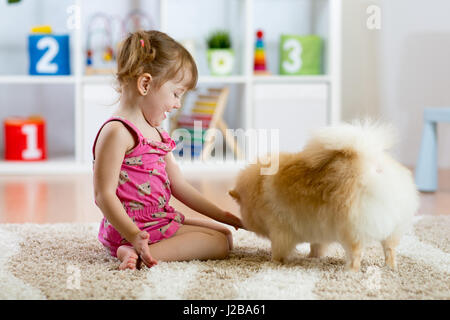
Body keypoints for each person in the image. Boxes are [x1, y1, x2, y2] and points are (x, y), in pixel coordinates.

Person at [92, 30, 243, 270]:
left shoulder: (158, 132)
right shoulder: (117, 132)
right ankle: (134, 251)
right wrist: (132, 234)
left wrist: (221, 214)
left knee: (224, 234)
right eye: (176, 93)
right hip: (129, 227)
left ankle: (139, 248)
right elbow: (103, 195)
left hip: (157, 218)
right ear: (145, 84)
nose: (177, 104)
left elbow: (179, 185)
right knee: (218, 245)